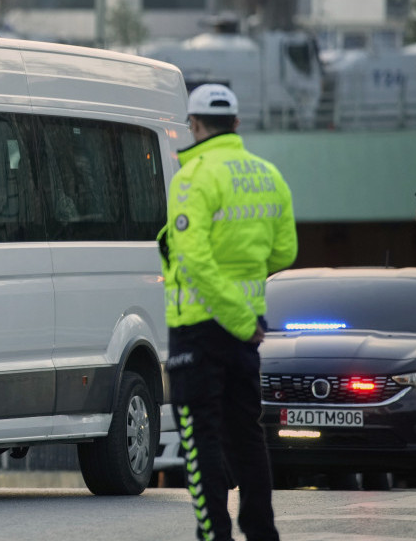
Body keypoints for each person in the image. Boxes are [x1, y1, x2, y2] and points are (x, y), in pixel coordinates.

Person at [157, 83, 297, 541]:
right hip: (247, 333)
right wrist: (244, 307)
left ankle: (213, 533)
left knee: (200, 438)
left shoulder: (192, 177)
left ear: (194, 126)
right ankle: (261, 531)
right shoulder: (268, 175)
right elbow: (284, 251)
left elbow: (193, 259)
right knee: (248, 437)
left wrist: (231, 313)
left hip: (200, 329)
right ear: (236, 123)